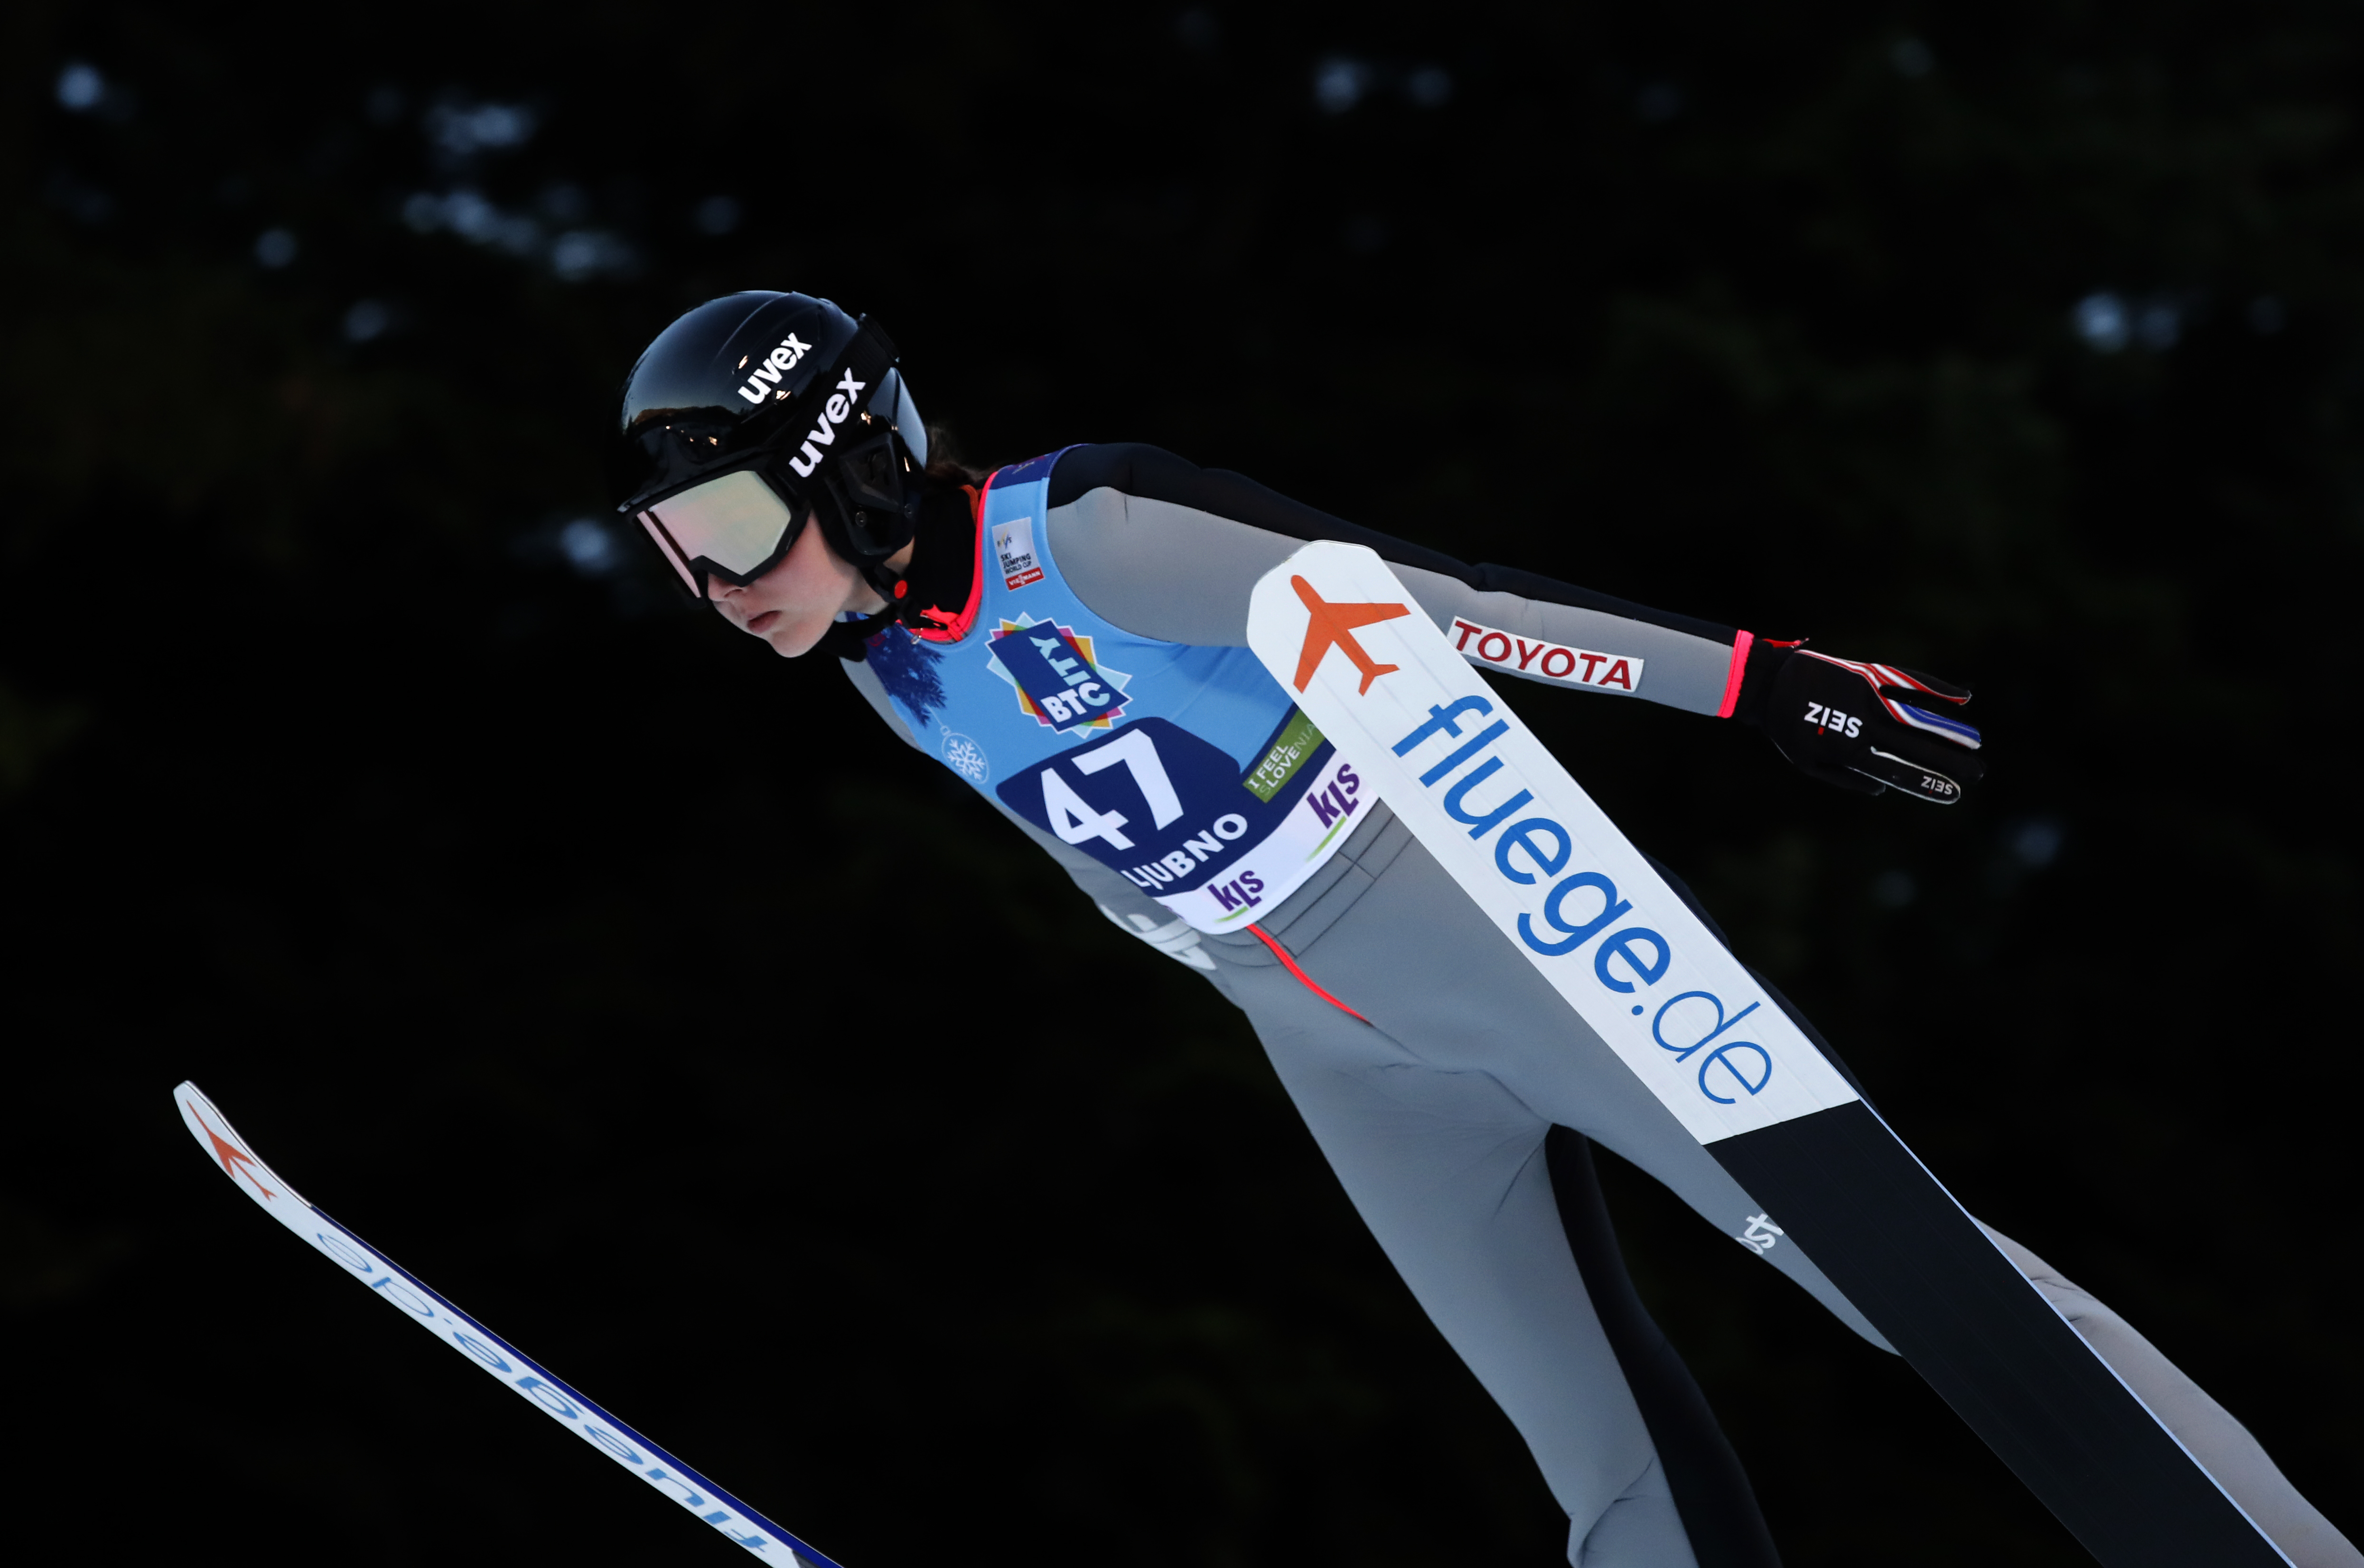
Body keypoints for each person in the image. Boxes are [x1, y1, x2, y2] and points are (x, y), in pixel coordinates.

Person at [614, 291, 2356, 1568]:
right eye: (678, 549)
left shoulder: (1085, 536)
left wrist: (1759, 684)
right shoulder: (874, 670)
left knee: (1912, 1279)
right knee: (1591, 1458)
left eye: (734, 525)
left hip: (1490, 934)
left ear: (846, 472)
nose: (716, 584)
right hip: (1337, 1055)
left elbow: (1437, 609)